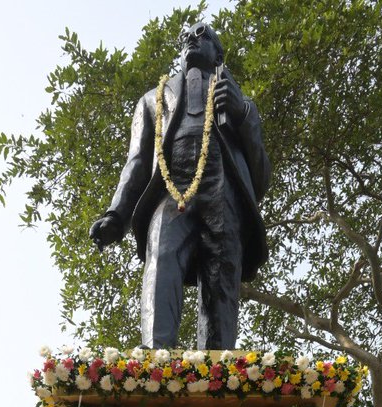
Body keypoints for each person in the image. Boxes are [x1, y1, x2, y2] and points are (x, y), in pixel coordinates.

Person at [90, 22, 271, 349]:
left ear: (218, 54)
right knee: (162, 254)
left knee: (221, 277)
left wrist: (242, 113)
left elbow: (261, 176)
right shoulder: (152, 100)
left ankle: (219, 364)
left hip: (222, 194)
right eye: (185, 37)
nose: (191, 39)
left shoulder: (240, 104)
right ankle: (154, 356)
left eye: (201, 34)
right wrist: (116, 215)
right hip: (172, 191)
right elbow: (137, 162)